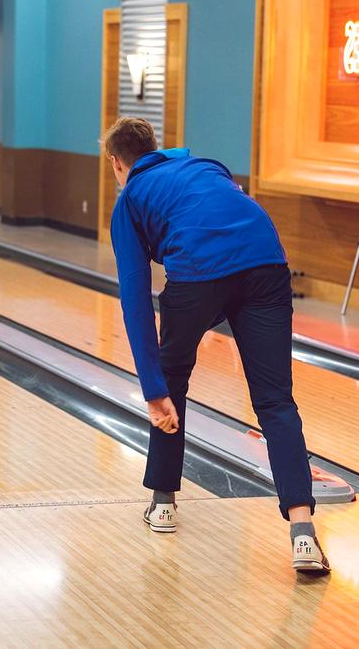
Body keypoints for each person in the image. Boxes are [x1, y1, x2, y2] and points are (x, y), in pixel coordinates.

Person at [103, 116, 329, 573]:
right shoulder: (207, 166)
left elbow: (135, 298)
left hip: (198, 275)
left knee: (173, 379)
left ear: (116, 164)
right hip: (267, 266)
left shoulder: (129, 199)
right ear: (155, 147)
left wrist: (153, 388)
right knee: (275, 401)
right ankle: (303, 533)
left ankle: (163, 504)